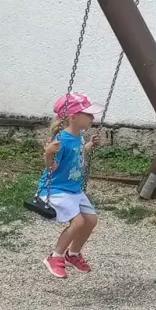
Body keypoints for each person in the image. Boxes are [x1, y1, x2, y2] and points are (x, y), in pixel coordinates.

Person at [39, 91, 101, 279]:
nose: (92, 118)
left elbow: (78, 152)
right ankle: (55, 256)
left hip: (73, 189)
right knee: (78, 222)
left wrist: (89, 145)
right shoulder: (61, 140)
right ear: (73, 117)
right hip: (56, 189)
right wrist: (48, 154)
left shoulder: (79, 135)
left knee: (91, 220)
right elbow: (52, 168)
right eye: (88, 114)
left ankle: (72, 254)